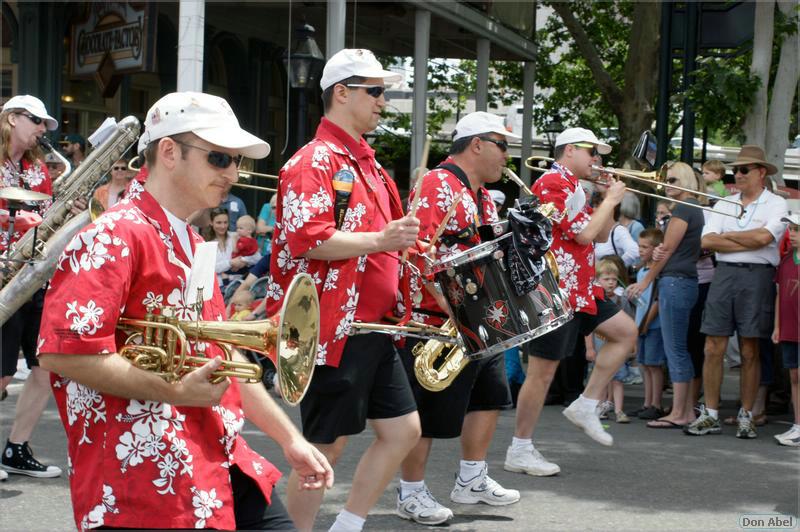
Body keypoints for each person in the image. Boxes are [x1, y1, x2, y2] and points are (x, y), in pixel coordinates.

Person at [37, 91, 333, 530]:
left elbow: (220, 353)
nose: (233, 172)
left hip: (216, 453)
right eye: (219, 158)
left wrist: (290, 439)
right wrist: (174, 391)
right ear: (170, 151)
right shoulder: (113, 234)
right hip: (142, 481)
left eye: (237, 161)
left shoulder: (192, 243)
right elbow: (63, 352)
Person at [265, 48, 421, 531]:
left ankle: (347, 525)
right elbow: (305, 238)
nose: (383, 101)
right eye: (376, 91)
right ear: (342, 93)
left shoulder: (364, 161)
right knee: (323, 448)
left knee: (404, 431)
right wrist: (382, 239)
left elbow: (381, 240)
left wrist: (403, 247)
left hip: (371, 326)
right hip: (332, 329)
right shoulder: (314, 159)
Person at [395, 112, 521, 526]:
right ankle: (409, 493)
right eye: (503, 146)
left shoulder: (481, 194)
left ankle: (472, 479)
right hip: (438, 319)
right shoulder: (438, 184)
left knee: (490, 397)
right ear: (477, 144)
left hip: (474, 315)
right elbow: (417, 255)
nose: (508, 156)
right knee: (428, 412)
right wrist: (455, 310)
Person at [504, 127, 638, 477]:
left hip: (579, 288)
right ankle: (520, 448)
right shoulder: (552, 182)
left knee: (625, 332)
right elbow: (582, 234)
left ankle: (586, 403)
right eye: (591, 151)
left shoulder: (576, 186)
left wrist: (608, 198)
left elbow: (604, 233)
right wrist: (608, 200)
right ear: (569, 151)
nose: (597, 159)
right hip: (554, 291)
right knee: (542, 373)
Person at [684, 146, 788, 439]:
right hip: (725, 274)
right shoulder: (724, 203)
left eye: (744, 169)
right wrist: (747, 239)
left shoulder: (775, 203)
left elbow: (766, 238)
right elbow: (709, 241)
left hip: (758, 276)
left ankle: (747, 413)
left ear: (761, 172)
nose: (737, 174)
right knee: (712, 346)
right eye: (736, 170)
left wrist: (727, 237)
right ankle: (711, 414)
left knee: (749, 348)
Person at [0, 95, 62, 479]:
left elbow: (45, 214)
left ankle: (15, 449)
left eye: (44, 124)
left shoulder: (38, 170)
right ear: (10, 119)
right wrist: (9, 217)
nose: (42, 129)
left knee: (45, 369)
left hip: (35, 274)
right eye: (36, 120)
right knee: (3, 374)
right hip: (4, 273)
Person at [628, 162, 704, 429]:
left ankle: (681, 413)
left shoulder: (684, 208)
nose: (666, 183)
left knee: (676, 350)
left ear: (683, 180)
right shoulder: (691, 207)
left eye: (672, 178)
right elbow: (665, 249)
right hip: (680, 281)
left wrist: (646, 280)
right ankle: (685, 411)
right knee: (678, 349)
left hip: (676, 282)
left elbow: (667, 249)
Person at [587, 258, 636, 424]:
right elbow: (588, 329)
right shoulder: (594, 302)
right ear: (597, 280)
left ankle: (619, 410)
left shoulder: (621, 301)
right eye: (606, 279)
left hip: (617, 348)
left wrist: (632, 345)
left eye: (614, 279)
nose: (611, 283)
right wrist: (589, 348)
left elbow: (630, 323)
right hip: (600, 346)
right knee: (601, 379)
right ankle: (600, 407)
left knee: (618, 379)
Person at [629, 228, 666, 420]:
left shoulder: (656, 272)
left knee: (654, 364)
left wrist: (645, 322)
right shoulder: (641, 270)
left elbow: (657, 300)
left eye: (645, 247)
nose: (641, 250)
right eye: (639, 246)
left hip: (653, 324)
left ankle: (656, 403)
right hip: (641, 323)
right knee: (644, 363)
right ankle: (647, 402)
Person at [772, 213, 800, 446]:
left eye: (797, 230)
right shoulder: (787, 259)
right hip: (790, 326)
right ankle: (798, 425)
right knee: (794, 374)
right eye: (791, 229)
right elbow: (780, 294)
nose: (792, 234)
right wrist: (778, 326)